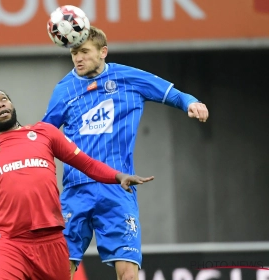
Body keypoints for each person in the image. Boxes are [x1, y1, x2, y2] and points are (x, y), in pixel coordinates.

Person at [0, 89, 154, 280]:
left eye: (4, 99)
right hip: (10, 244)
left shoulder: (45, 133)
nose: (0, 103)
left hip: (54, 244)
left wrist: (117, 176)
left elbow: (86, 164)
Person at [42, 26, 209, 280]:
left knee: (128, 273)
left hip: (117, 187)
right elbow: (44, 136)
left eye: (85, 51)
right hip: (76, 189)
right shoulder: (64, 89)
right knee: (61, 270)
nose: (78, 58)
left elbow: (171, 93)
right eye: (74, 52)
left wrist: (191, 102)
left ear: (103, 52)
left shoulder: (128, 78)